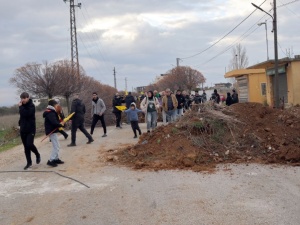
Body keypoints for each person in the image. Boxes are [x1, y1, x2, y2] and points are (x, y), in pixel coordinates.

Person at [18, 92, 41, 170]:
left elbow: (27, 114)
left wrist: (20, 107)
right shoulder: (22, 106)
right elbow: (22, 116)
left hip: (30, 129)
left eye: (24, 98)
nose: (23, 100)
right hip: (23, 129)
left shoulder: (31, 106)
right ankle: (29, 163)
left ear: (28, 97)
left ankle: (37, 154)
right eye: (22, 98)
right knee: (26, 147)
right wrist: (20, 123)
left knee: (29, 144)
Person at [43, 100, 65, 167]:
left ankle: (56, 159)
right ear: (53, 105)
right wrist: (60, 124)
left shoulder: (52, 112)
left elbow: (57, 120)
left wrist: (61, 114)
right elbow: (54, 122)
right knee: (56, 146)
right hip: (51, 131)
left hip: (52, 131)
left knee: (57, 145)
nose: (57, 106)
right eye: (56, 105)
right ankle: (51, 160)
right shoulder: (50, 113)